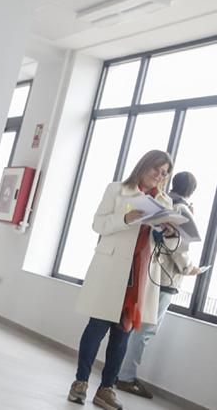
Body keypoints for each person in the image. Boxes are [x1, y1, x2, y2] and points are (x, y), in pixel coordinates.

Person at [68, 149, 173, 410]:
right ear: (144, 165)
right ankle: (80, 383)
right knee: (97, 327)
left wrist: (169, 233)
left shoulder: (165, 202)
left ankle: (106, 389)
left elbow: (164, 245)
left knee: (122, 334)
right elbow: (98, 224)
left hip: (139, 274)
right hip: (112, 268)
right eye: (156, 169)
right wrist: (126, 218)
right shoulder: (117, 190)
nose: (159, 176)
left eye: (164, 173)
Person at [115, 171, 203, 399]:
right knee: (145, 330)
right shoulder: (181, 209)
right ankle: (126, 376)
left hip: (148, 271)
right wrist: (189, 268)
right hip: (164, 278)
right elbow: (178, 247)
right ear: (192, 191)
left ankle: (119, 372)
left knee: (134, 325)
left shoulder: (162, 202)